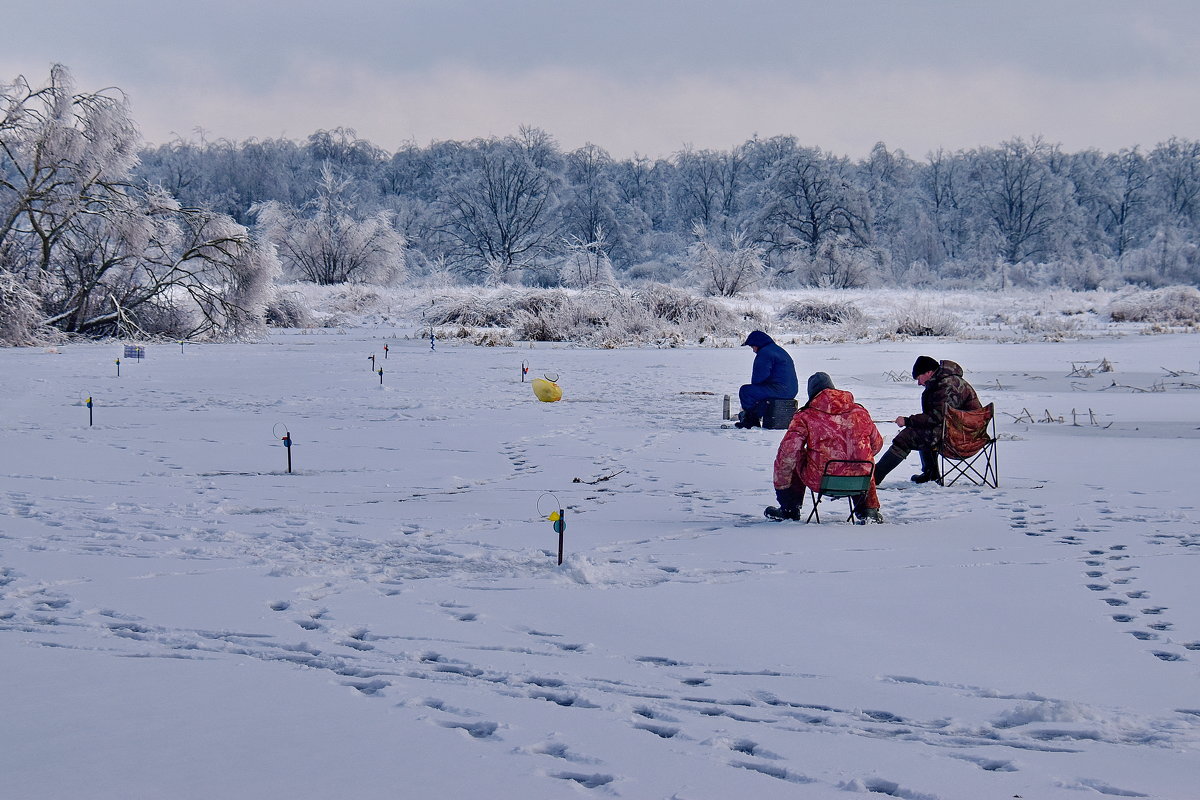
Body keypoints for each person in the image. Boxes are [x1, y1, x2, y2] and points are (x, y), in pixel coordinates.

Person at [764, 372, 885, 523]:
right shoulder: (860, 413)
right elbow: (877, 444)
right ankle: (869, 510)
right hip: (859, 482)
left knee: (795, 455)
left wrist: (781, 488)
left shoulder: (805, 416)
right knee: (863, 458)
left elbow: (788, 453)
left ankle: (789, 509)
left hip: (822, 480)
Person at [874, 356, 982, 486]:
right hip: (966, 431)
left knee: (907, 437)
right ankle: (930, 474)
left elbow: (937, 417)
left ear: (929, 372)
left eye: (919, 378)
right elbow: (938, 418)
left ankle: (874, 477)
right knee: (922, 429)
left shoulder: (946, 385)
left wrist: (908, 421)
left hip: (962, 437)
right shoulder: (947, 381)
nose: (919, 383)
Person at [735, 331, 798, 429]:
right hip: (790, 390)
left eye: (753, 347)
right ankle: (757, 415)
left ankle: (751, 421)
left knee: (746, 391)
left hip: (779, 390)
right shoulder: (778, 350)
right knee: (762, 394)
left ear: (758, 344)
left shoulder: (765, 353)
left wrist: (755, 391)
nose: (753, 350)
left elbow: (759, 378)